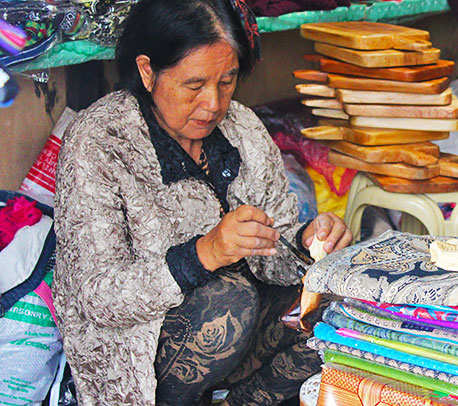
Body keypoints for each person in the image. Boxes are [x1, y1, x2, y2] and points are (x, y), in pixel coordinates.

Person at [52, 0, 352, 405]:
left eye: (226, 82)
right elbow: (97, 298)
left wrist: (306, 240)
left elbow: (277, 254)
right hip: (139, 349)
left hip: (238, 335)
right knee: (229, 302)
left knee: (335, 311)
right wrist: (203, 254)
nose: (213, 103)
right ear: (147, 72)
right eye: (194, 85)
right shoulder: (100, 141)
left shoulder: (242, 128)